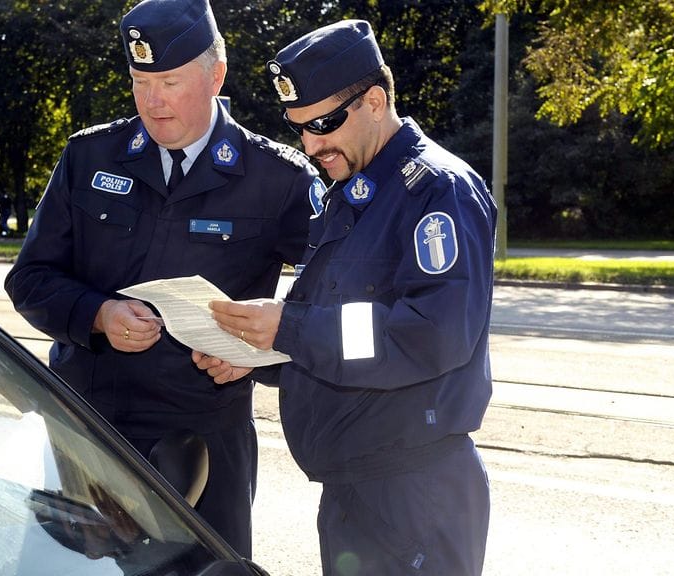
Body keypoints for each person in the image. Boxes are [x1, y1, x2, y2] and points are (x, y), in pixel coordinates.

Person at [5, 0, 320, 557]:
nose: (151, 100)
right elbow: (29, 278)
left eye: (169, 81)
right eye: (139, 80)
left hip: (204, 436)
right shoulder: (89, 157)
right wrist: (97, 314)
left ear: (216, 74)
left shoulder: (277, 179)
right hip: (89, 429)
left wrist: (263, 350)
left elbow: (335, 291)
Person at [193, 20, 496, 575]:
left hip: (412, 494)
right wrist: (262, 354)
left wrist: (289, 330)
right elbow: (341, 329)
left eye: (326, 123)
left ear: (375, 101)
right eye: (299, 128)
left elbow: (433, 333)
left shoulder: (435, 189)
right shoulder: (354, 194)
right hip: (357, 488)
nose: (312, 145)